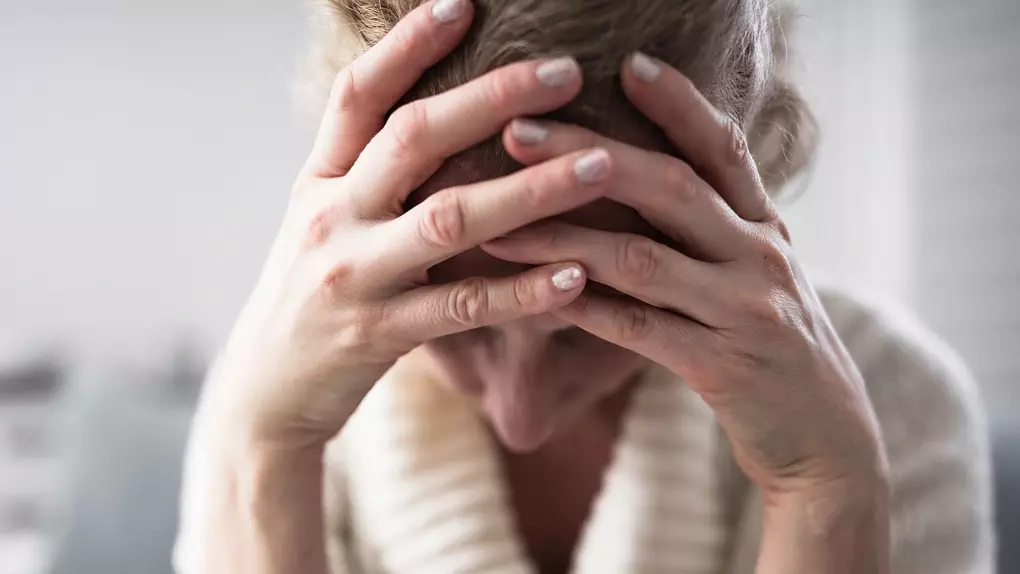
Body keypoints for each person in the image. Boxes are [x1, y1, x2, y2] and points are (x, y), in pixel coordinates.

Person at [174, 0, 995, 572]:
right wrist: (262, 457)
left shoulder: (892, 406)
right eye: (465, 326)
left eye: (598, 319)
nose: (519, 415)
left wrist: (830, 494)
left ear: (748, 187)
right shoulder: (282, 408)